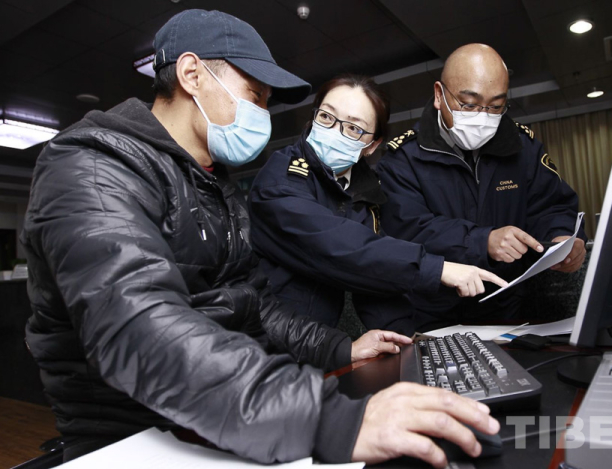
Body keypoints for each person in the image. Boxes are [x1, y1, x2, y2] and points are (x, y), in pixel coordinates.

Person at [21, 11, 499, 468]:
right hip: (135, 437)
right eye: (255, 95)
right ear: (192, 74)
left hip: (226, 415)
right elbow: (141, 332)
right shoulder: (92, 169)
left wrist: (339, 349)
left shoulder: (214, 185)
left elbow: (255, 307)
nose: (262, 114)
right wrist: (330, 419)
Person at [250, 74, 507, 334]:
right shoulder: (281, 179)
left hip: (319, 342)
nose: (335, 131)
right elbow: (342, 248)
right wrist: (436, 268)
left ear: (372, 145)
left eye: (354, 128)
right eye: (326, 117)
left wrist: (409, 339)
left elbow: (373, 278)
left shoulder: (362, 192)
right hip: (270, 343)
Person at [377, 43, 587, 332]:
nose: (482, 116)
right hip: (430, 312)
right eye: (468, 104)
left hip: (505, 308)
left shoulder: (522, 147)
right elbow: (407, 229)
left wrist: (561, 236)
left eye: (495, 106)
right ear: (439, 95)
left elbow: (551, 205)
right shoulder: (402, 159)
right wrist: (482, 240)